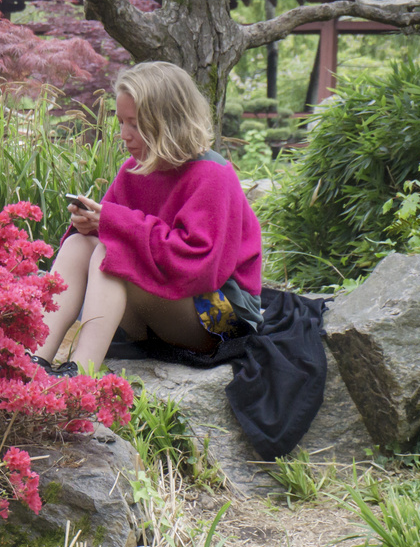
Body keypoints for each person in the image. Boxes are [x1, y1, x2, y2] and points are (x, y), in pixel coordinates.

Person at [32, 61, 263, 377]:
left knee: (110, 251)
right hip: (159, 308)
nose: (124, 135)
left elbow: (199, 268)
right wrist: (90, 224)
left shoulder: (212, 174)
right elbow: (114, 228)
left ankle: (79, 375)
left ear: (170, 122)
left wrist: (113, 224)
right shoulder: (133, 169)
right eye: (121, 122)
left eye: (136, 124)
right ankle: (32, 359)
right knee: (81, 245)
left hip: (220, 318)